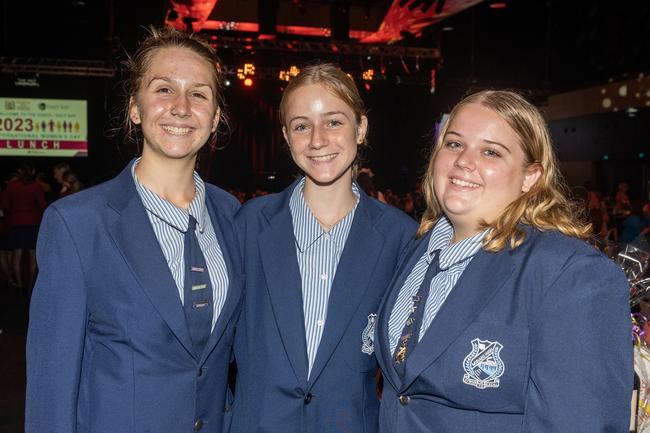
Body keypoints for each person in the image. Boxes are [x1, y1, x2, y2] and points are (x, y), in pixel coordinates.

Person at [26, 27, 243, 433]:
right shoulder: (77, 224)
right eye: (163, 89)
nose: (181, 107)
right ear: (134, 108)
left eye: (198, 93)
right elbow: (50, 387)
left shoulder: (232, 215)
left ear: (215, 118)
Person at [375, 90, 632, 433]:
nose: (464, 161)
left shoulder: (570, 274)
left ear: (531, 177)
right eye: (454, 144)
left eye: (491, 151)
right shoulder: (415, 249)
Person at [230, 63, 417, 433]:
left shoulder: (400, 236)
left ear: (360, 128)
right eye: (302, 125)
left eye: (333, 122)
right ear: (286, 136)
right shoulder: (250, 222)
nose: (317, 140)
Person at [2, 163, 47, 293]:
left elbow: (5, 206)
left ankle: (20, 285)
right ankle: (31, 287)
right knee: (33, 255)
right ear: (33, 171)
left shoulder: (12, 186)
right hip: (33, 223)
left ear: (19, 171)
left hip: (17, 223)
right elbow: (42, 205)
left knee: (18, 254)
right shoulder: (36, 186)